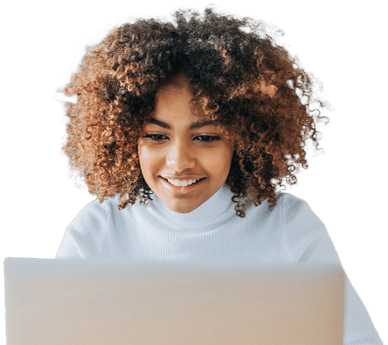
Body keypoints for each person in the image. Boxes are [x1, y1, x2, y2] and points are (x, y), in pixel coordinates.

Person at [54, 5, 384, 344]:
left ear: (243, 138)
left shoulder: (290, 227)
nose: (179, 162)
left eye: (206, 137)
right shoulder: (97, 230)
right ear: (125, 137)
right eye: (156, 136)